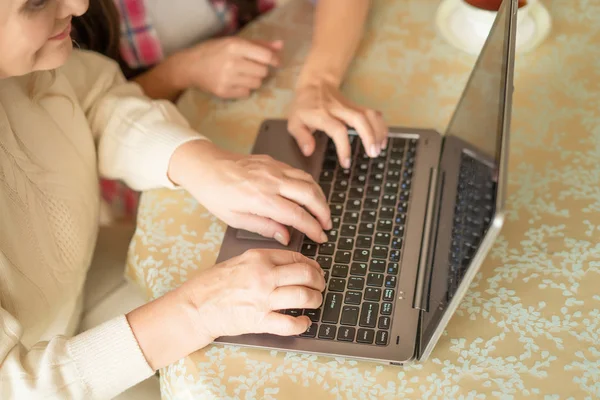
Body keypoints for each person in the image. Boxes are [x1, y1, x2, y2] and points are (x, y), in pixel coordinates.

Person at [0, 0, 331, 398]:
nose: (79, 4)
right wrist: (198, 311)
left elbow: (93, 97)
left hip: (80, 282)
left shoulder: (30, 59)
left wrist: (199, 163)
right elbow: (20, 384)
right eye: (35, 2)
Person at [72, 0, 388, 222]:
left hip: (245, 93)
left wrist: (318, 81)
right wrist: (182, 71)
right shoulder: (72, 18)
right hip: (144, 167)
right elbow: (88, 116)